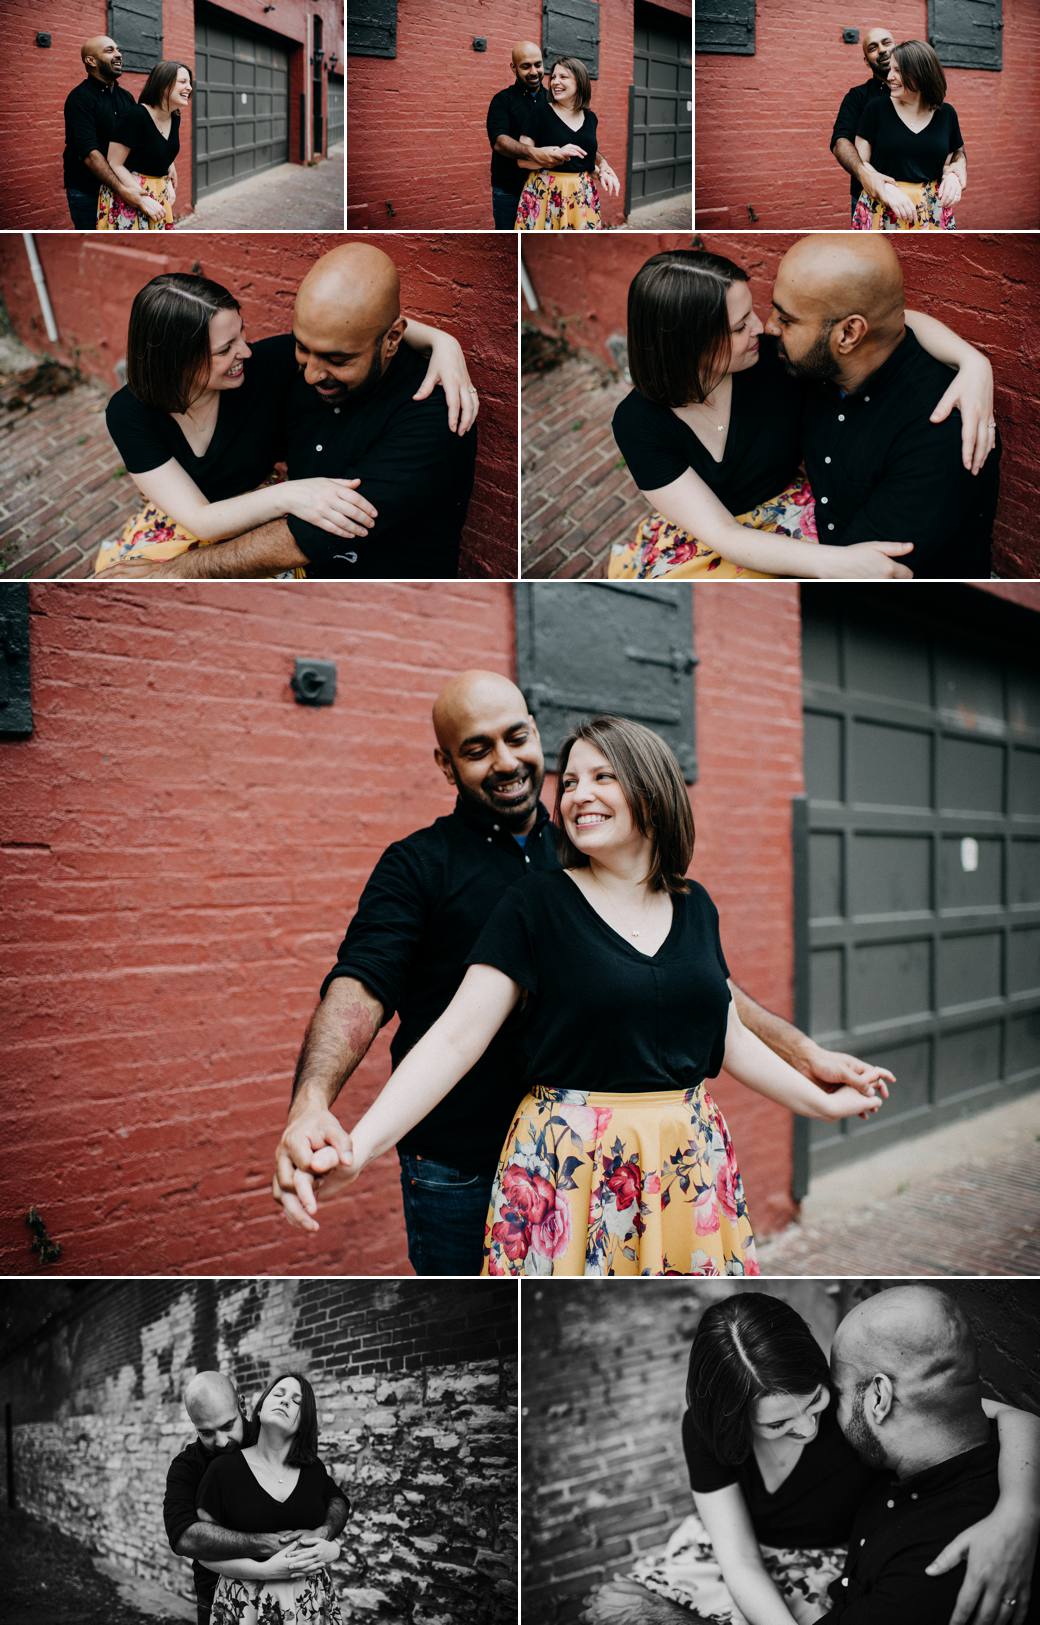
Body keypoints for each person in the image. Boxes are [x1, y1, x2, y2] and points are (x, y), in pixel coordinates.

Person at [272, 672, 894, 1276]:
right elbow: (403, 1009)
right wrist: (328, 1118)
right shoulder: (447, 874)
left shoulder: (673, 894)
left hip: (671, 1162)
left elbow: (706, 1005)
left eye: (517, 738)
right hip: (493, 1160)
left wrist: (810, 1068)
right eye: (478, 749)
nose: (509, 762)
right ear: (447, 764)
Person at [583, 1291, 1040, 1625]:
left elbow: (1012, 1416)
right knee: (620, 1610)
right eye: (778, 1423)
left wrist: (1020, 1509)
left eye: (815, 1402)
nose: (807, 1428)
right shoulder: (707, 1434)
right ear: (734, 1421)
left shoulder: (856, 1411)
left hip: (836, 1566)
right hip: (744, 1558)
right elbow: (739, 1559)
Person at [609, 244, 997, 581]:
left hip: (792, 516)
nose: (761, 328)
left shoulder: (772, 363)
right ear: (690, 346)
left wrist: (973, 362)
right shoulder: (638, 423)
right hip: (715, 534)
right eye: (741, 326)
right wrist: (833, 562)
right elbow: (723, 534)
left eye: (753, 313)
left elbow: (879, 322)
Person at [95, 246, 478, 578]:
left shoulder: (265, 367)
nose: (245, 351)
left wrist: (442, 341)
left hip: (278, 535)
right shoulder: (131, 413)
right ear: (177, 362)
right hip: (207, 521)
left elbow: (360, 328)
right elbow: (200, 520)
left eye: (242, 334)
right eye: (225, 349)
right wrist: (290, 494)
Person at [768, 234, 1000, 578]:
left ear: (849, 334)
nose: (770, 326)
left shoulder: (940, 434)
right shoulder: (822, 362)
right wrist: (973, 359)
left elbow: (858, 571)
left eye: (786, 320)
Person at [824, 1287, 1040, 1623]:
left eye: (839, 1393)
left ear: (879, 1398)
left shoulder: (936, 1568)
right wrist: (1020, 1505)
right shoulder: (948, 1422)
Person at [163, 1370, 348, 1625]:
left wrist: (324, 1536)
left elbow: (336, 1500)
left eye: (227, 1426)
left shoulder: (280, 1442)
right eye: (206, 1433)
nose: (221, 1442)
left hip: (299, 1600)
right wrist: (269, 1547)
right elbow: (185, 1536)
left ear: (242, 1405)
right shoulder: (188, 1466)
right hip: (226, 1596)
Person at [829, 27, 965, 225]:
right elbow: (840, 142)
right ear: (866, 61)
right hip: (877, 200)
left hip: (928, 206)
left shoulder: (942, 111)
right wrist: (871, 178)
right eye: (873, 48)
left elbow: (954, 151)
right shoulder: (863, 100)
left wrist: (955, 172)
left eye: (886, 43)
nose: (882, 50)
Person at [62, 36, 159, 231]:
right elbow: (90, 154)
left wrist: (166, 168)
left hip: (124, 186)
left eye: (118, 49)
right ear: (91, 60)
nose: (119, 54)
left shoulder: (126, 97)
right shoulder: (79, 99)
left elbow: (142, 139)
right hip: (88, 192)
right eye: (110, 50)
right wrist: (123, 190)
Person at [515, 57, 620, 230]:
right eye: (553, 77)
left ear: (580, 81)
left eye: (563, 77)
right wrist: (553, 155)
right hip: (545, 193)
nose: (555, 82)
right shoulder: (540, 112)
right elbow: (522, 160)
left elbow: (588, 155)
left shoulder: (590, 118)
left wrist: (603, 170)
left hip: (581, 194)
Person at [97, 60, 191, 231]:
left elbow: (160, 147)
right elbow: (114, 163)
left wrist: (167, 179)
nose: (189, 88)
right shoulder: (135, 115)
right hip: (129, 195)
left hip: (158, 194)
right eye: (183, 82)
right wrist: (142, 198)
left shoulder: (175, 116)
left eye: (190, 83)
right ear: (163, 85)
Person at [486, 41, 555, 230]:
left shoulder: (554, 101)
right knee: (510, 238)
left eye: (538, 65)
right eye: (526, 66)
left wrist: (600, 163)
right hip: (509, 191)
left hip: (546, 189)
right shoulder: (502, 100)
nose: (534, 72)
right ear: (513, 68)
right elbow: (500, 142)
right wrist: (535, 153)